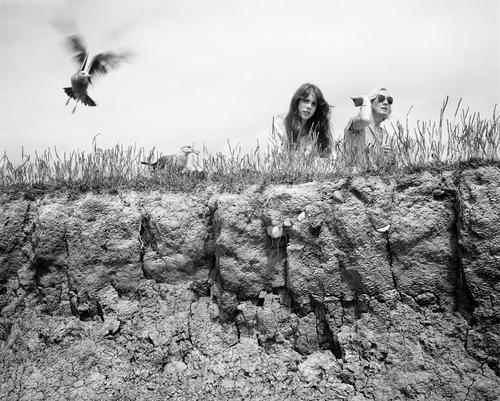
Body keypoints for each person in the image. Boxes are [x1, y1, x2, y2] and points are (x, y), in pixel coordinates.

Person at [272, 83, 333, 155]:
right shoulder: (280, 125)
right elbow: (274, 157)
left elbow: (328, 158)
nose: (309, 106)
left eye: (313, 104)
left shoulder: (317, 132)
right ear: (297, 102)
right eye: (306, 101)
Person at [344, 87, 395, 168]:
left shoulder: (385, 135)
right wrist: (365, 99)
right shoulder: (357, 124)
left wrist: (391, 161)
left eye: (389, 100)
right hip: (355, 178)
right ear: (370, 102)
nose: (386, 102)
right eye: (380, 98)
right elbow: (364, 119)